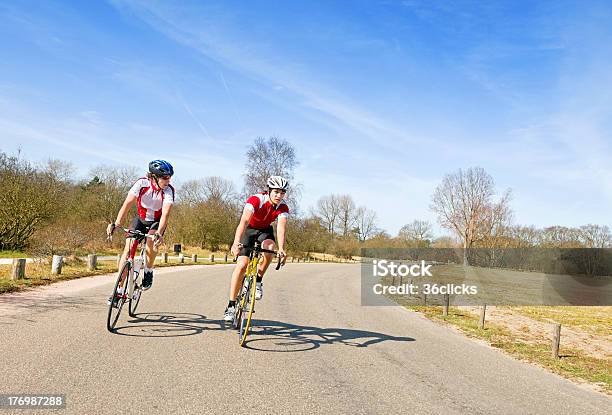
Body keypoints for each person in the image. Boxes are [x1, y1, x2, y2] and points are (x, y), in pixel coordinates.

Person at [223, 176, 289, 322]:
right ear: (269, 190)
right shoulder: (256, 199)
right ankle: (231, 305)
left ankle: (258, 280)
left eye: (282, 193)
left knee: (270, 247)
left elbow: (281, 227)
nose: (279, 196)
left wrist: (282, 249)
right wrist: (236, 242)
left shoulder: (283, 207)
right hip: (249, 230)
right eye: (276, 192)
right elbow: (244, 221)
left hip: (265, 231)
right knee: (242, 265)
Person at [106, 160, 175, 295]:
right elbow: (127, 204)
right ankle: (118, 290)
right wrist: (116, 223)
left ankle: (148, 270)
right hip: (141, 219)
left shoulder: (168, 190)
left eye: (170, 177)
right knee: (128, 249)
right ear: (154, 177)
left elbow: (165, 214)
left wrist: (159, 233)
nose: (168, 180)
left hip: (156, 222)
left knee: (151, 242)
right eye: (165, 177)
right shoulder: (141, 184)